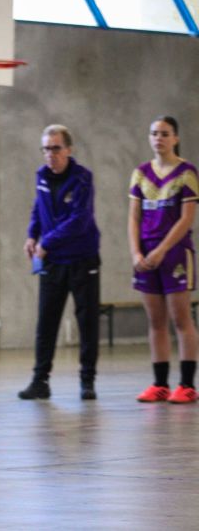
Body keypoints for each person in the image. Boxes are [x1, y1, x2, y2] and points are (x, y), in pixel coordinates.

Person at [19, 125, 101, 401]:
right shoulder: (41, 176)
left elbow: (79, 220)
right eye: (46, 149)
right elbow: (38, 208)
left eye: (55, 148)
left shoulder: (82, 179)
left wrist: (46, 243)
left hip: (82, 259)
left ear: (68, 149)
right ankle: (40, 381)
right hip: (53, 262)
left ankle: (87, 381)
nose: (50, 154)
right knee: (46, 322)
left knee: (87, 322)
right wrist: (32, 235)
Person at [129, 116, 198, 404]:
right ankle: (160, 384)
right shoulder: (140, 173)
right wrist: (136, 252)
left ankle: (187, 384)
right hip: (146, 255)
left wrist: (162, 250)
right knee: (155, 320)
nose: (159, 138)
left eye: (165, 134)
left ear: (175, 138)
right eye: (154, 133)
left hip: (175, 253)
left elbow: (186, 219)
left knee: (181, 318)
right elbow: (134, 217)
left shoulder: (187, 172)